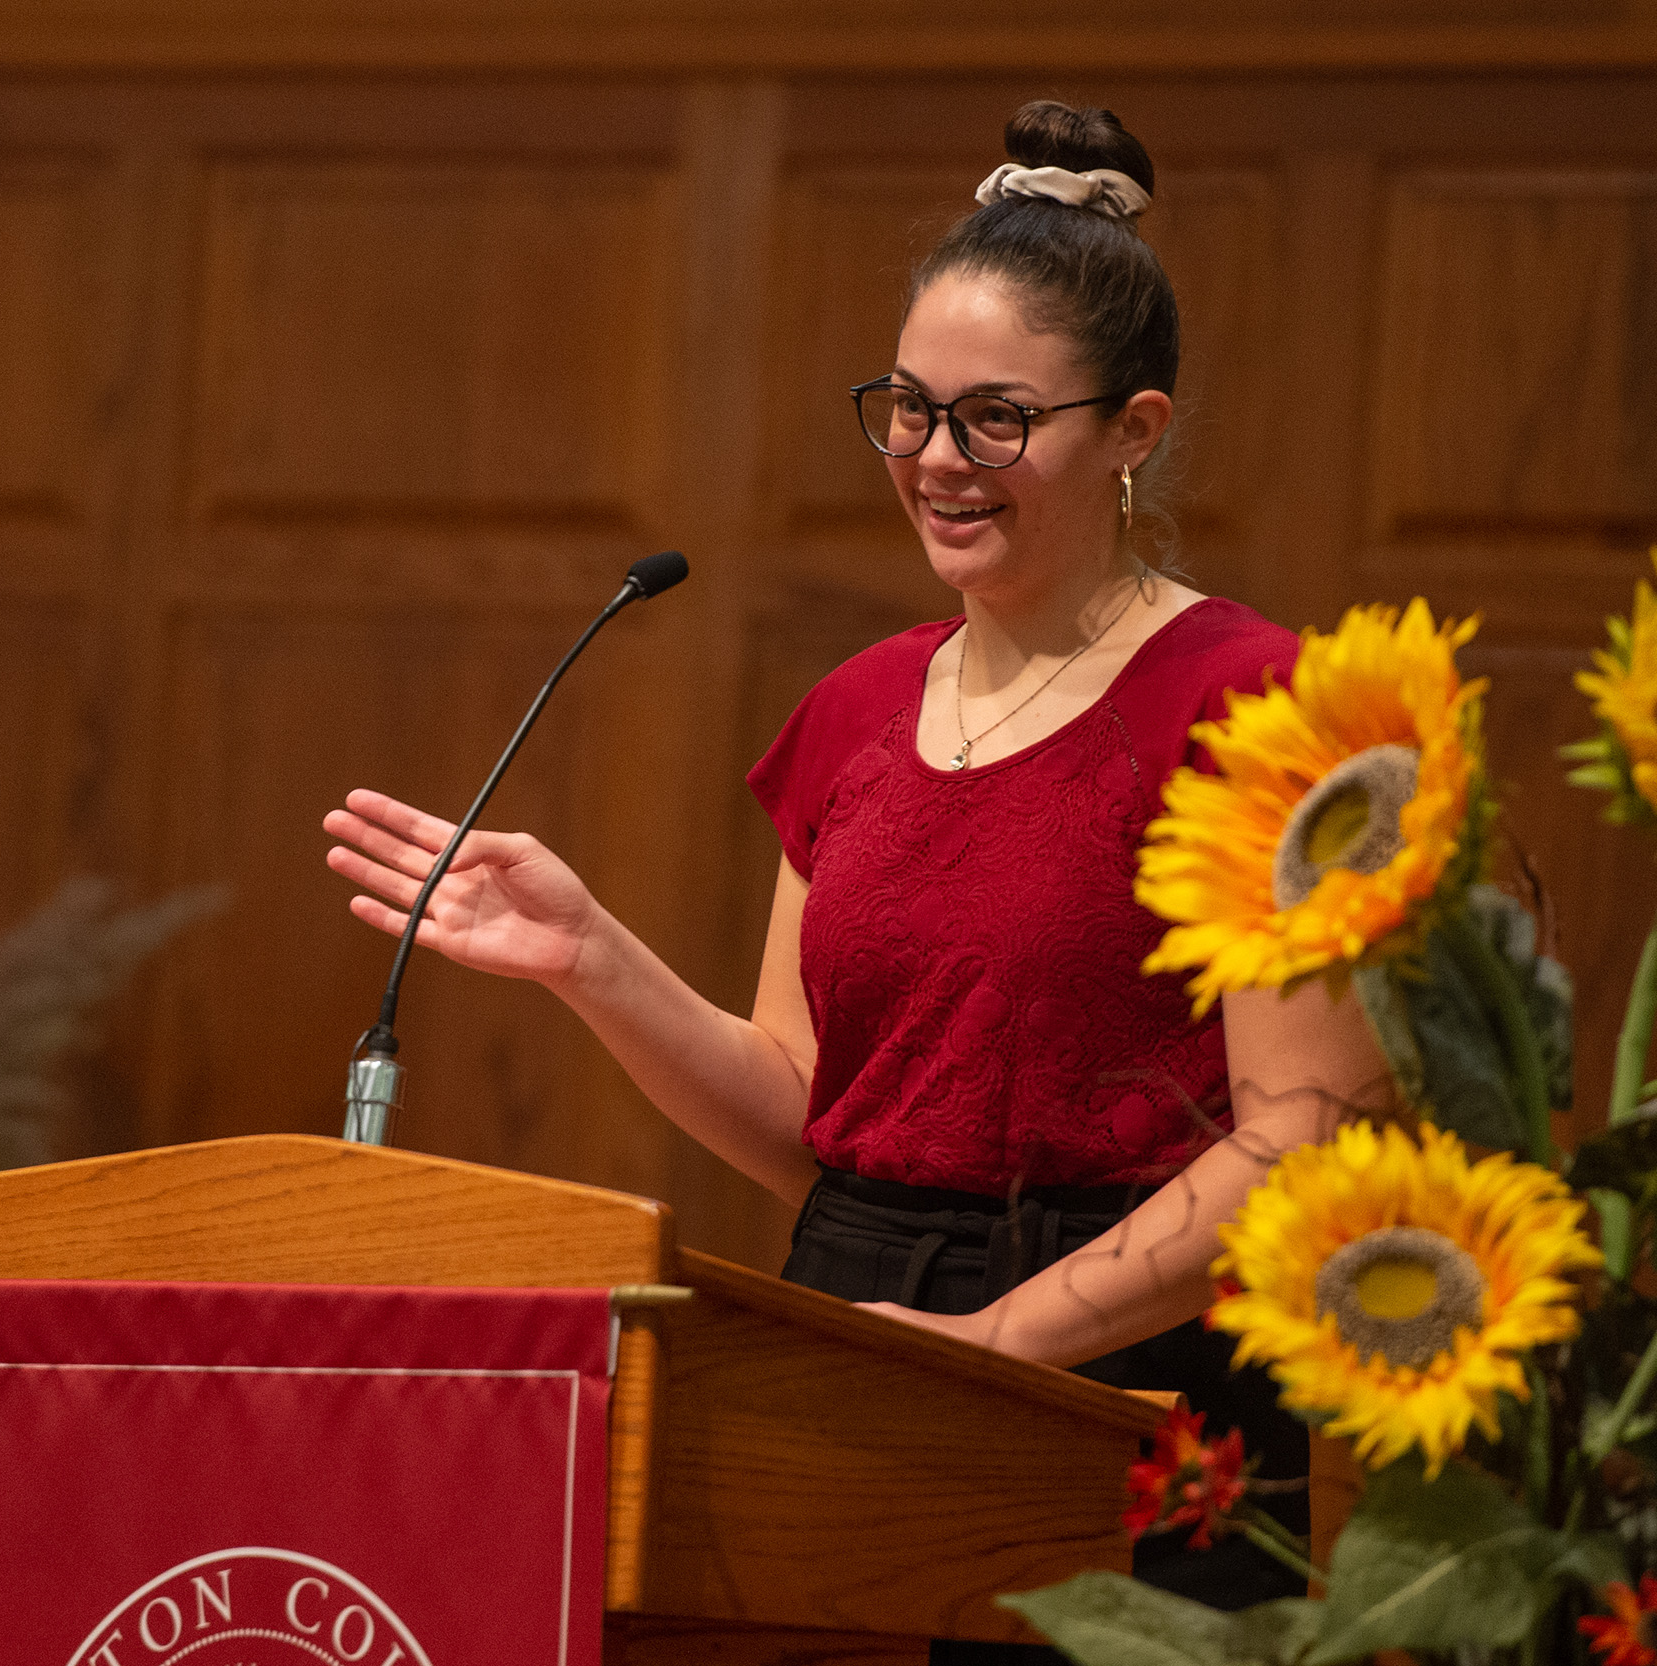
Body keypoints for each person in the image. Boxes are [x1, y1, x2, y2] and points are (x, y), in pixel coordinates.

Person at [326, 100, 1389, 1662]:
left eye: (995, 420)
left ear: (1136, 431)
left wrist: (990, 1348)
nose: (936, 461)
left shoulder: (1267, 705)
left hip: (1146, 1376)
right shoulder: (857, 710)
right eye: (906, 409)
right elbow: (808, 1113)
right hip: (860, 1350)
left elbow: (1302, 1144)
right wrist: (587, 956)